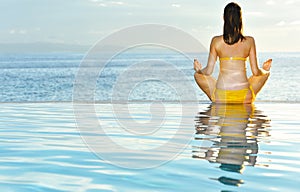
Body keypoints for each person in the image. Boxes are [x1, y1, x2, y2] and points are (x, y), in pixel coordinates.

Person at [194, 2, 272, 104]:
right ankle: (266, 70)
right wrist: (264, 71)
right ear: (240, 19)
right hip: (244, 97)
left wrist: (199, 70)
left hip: (222, 97)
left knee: (197, 75)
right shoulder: (249, 41)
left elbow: (208, 71)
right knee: (263, 74)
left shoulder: (216, 41)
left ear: (223, 18)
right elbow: (255, 72)